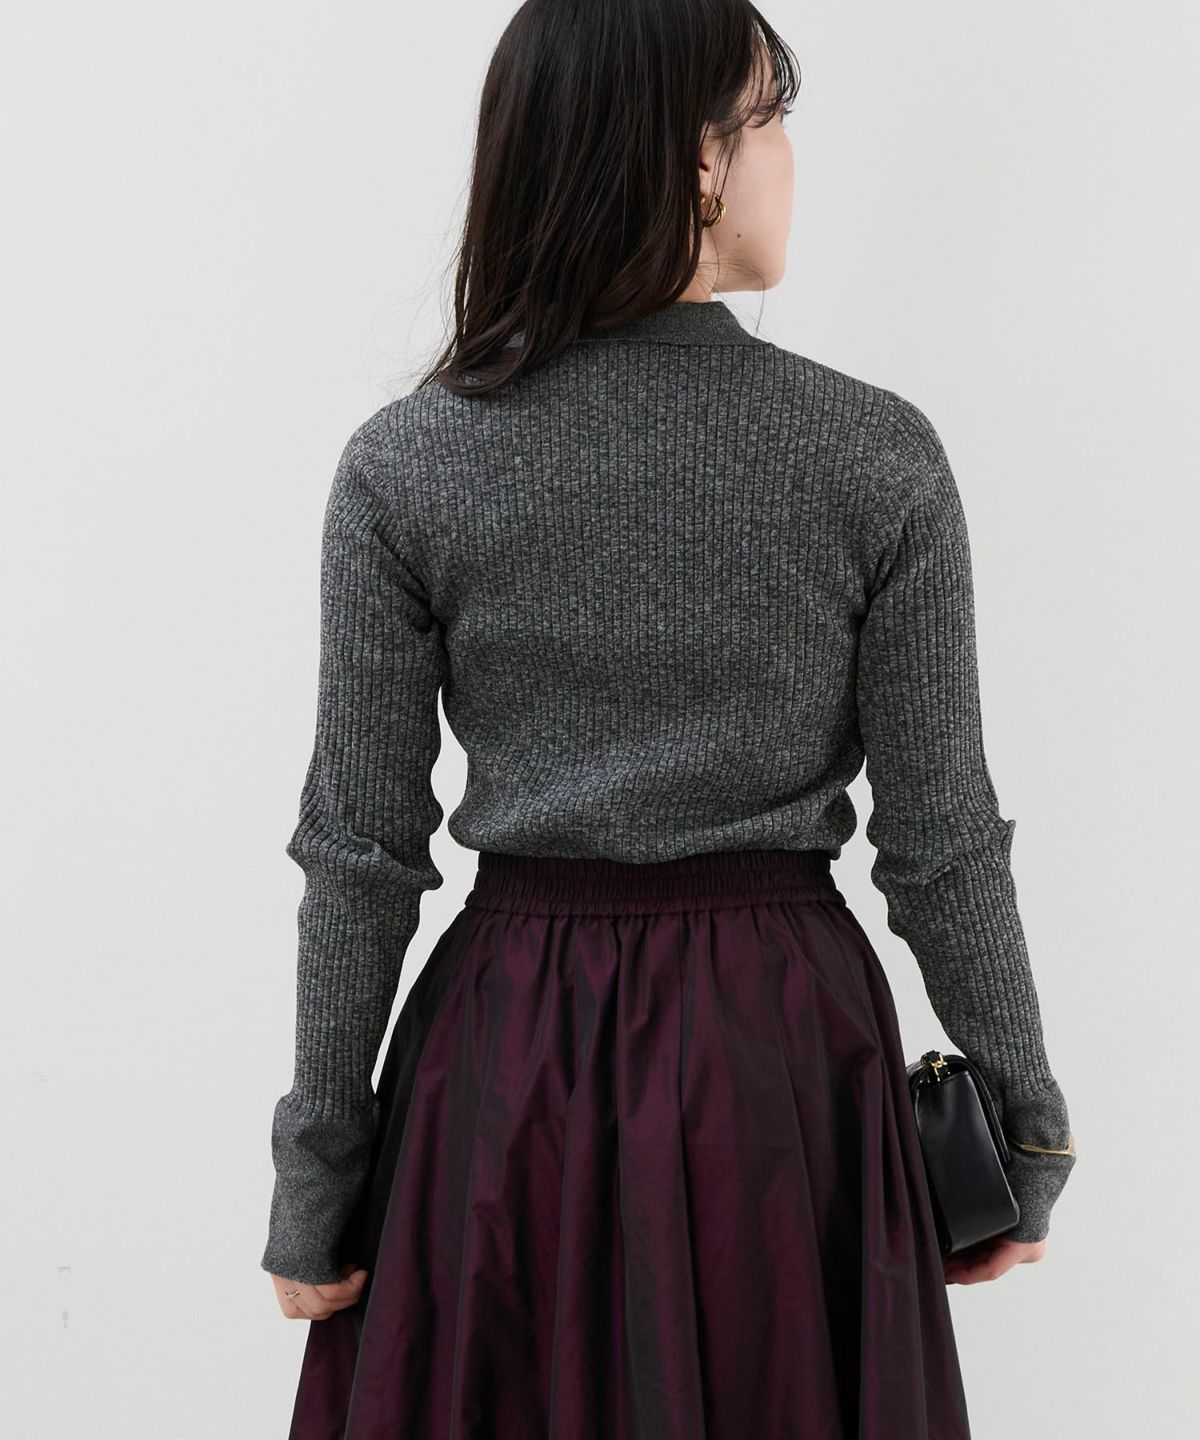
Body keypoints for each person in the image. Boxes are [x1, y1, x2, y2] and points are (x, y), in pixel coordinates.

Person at [261, 2, 1078, 1434]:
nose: (788, 158)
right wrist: (1024, 1125)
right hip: (783, 1060)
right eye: (773, 118)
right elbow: (941, 840)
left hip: (504, 1061)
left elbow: (360, 853)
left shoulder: (407, 464)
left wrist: (317, 1177)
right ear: (702, 161)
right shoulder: (872, 454)